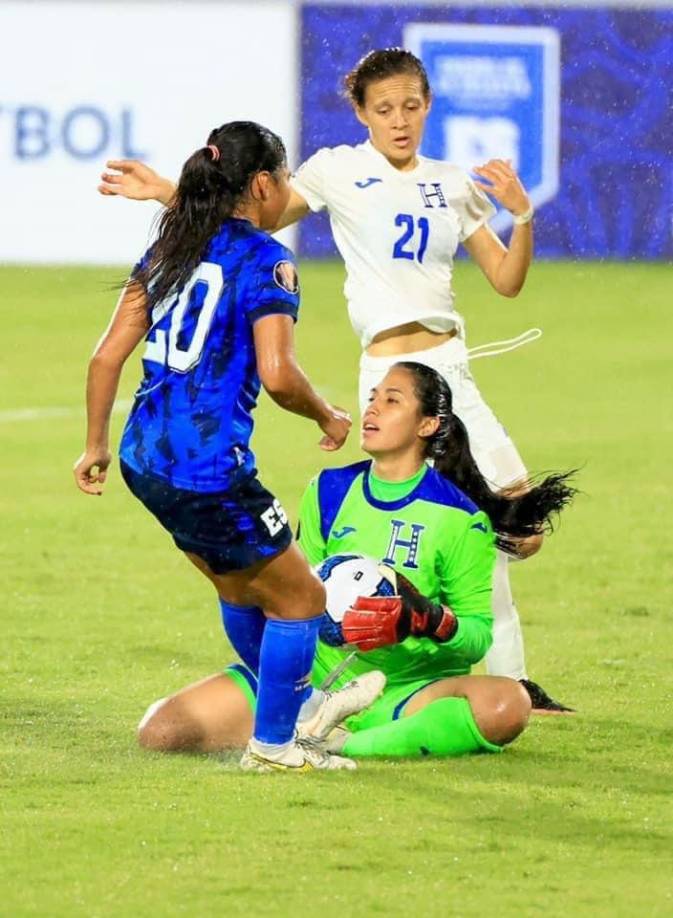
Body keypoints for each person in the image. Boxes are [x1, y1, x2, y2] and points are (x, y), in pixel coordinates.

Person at [98, 48, 569, 711]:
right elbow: (249, 211)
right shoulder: (337, 170)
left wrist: (520, 216)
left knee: (516, 531)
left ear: (427, 104)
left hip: (453, 370)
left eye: (410, 106)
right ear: (359, 112)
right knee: (466, 524)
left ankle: (449, 655)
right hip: (394, 372)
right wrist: (171, 193)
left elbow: (506, 281)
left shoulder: (451, 183)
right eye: (383, 109)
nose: (398, 121)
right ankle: (492, 680)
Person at [73, 120, 390, 774]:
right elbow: (277, 375)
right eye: (285, 181)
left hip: (142, 459)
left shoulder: (170, 246)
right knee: (301, 598)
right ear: (262, 183)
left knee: (241, 584)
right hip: (207, 466)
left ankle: (294, 712)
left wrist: (93, 446)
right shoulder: (267, 262)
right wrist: (328, 414)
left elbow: (106, 358)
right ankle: (275, 746)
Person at [136, 362, 575, 760]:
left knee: (508, 704)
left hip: (407, 690)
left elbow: (478, 635)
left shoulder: (461, 520)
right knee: (161, 730)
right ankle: (313, 716)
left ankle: (342, 741)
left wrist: (426, 619)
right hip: (317, 677)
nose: (373, 409)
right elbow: (298, 591)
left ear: (428, 424)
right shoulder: (328, 491)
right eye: (372, 398)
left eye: (391, 400)